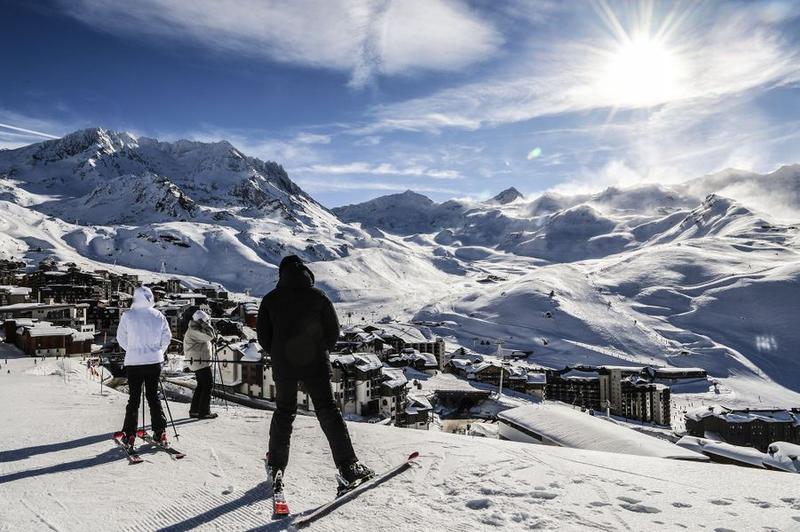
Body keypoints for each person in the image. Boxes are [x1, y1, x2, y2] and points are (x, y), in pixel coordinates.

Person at [257, 255, 373, 493]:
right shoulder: (318, 297)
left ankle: (276, 467)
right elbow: (333, 331)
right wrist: (320, 351)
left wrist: (280, 353)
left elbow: (263, 337)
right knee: (327, 411)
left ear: (281, 275)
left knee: (284, 413)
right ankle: (348, 467)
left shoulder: (270, 299)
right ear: (306, 273)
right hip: (316, 364)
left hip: (284, 365)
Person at [117, 286, 172, 447]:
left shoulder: (128, 316)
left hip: (134, 362)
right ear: (150, 298)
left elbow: (121, 338)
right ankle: (160, 431)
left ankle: (130, 434)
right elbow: (167, 338)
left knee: (134, 399)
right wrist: (157, 351)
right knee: (153, 396)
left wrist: (134, 350)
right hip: (154, 362)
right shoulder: (158, 315)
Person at [184, 309, 218, 419]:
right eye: (206, 321)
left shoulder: (195, 329)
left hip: (199, 361)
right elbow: (210, 336)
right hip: (200, 362)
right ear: (201, 321)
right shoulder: (194, 330)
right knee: (207, 385)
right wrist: (206, 324)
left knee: (201, 386)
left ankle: (194, 410)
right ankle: (204, 412)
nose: (208, 322)